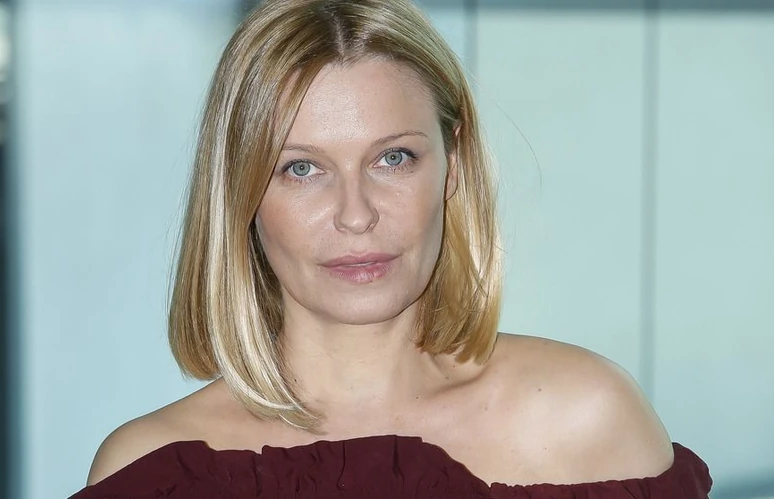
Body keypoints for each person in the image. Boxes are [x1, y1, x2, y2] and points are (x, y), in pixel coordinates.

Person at [70, 0, 711, 497]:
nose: (356, 215)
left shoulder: (589, 420)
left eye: (394, 158)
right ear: (240, 193)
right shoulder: (152, 472)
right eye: (301, 168)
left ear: (453, 166)